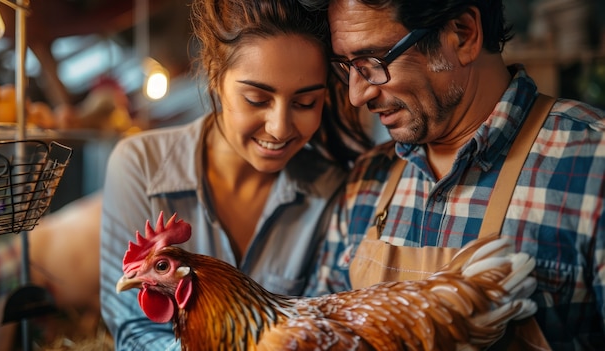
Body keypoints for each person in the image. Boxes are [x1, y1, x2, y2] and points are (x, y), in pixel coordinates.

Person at [299, 0, 605, 349]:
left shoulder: (593, 163)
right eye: (347, 66)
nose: (357, 94)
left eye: (375, 61)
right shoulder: (367, 179)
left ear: (463, 34)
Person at [98, 0, 372, 349]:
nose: (279, 128)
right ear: (214, 74)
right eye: (257, 99)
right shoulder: (139, 164)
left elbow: (318, 328)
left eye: (305, 103)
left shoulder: (331, 189)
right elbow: (135, 332)